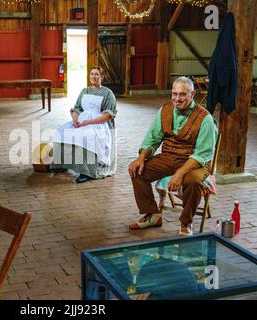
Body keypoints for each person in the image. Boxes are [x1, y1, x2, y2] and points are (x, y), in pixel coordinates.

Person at [128, 77, 217, 236]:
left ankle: (186, 222)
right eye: (174, 94)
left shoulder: (206, 118)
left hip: (195, 161)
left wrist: (179, 173)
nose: (177, 99)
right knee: (137, 171)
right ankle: (153, 214)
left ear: (192, 94)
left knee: (193, 180)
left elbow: (202, 154)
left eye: (182, 94)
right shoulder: (165, 110)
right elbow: (152, 139)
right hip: (169, 157)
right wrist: (141, 158)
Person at [50, 66, 117, 183]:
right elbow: (77, 108)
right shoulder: (84, 91)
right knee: (61, 132)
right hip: (82, 121)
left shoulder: (108, 93)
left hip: (98, 123)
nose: (94, 77)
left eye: (97, 74)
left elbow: (108, 115)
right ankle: (61, 163)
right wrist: (75, 120)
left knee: (86, 136)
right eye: (92, 74)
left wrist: (89, 122)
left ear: (102, 77)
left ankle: (87, 171)